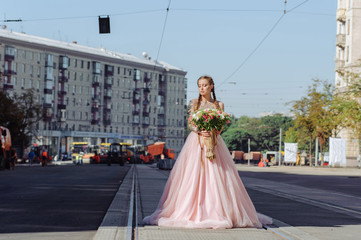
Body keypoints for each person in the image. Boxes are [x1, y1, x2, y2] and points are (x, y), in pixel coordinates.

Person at [143, 75, 272, 229]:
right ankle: (192, 210)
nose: (201, 88)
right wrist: (200, 131)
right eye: (199, 85)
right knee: (192, 176)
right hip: (196, 143)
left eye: (204, 85)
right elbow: (191, 124)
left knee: (218, 175)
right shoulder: (194, 103)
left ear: (211, 86)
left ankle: (219, 211)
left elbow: (221, 127)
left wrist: (213, 131)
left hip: (215, 143)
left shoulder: (219, 105)